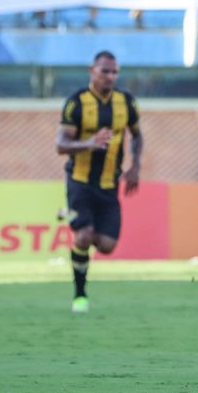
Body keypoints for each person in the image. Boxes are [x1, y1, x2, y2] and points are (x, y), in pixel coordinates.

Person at [55, 51, 143, 313]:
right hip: (80, 181)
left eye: (114, 72)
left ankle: (72, 214)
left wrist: (135, 166)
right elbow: (61, 144)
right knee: (83, 236)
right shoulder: (77, 102)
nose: (110, 76)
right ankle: (80, 295)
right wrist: (89, 143)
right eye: (105, 71)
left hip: (109, 184)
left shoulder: (126, 102)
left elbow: (137, 135)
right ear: (92, 70)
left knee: (106, 245)